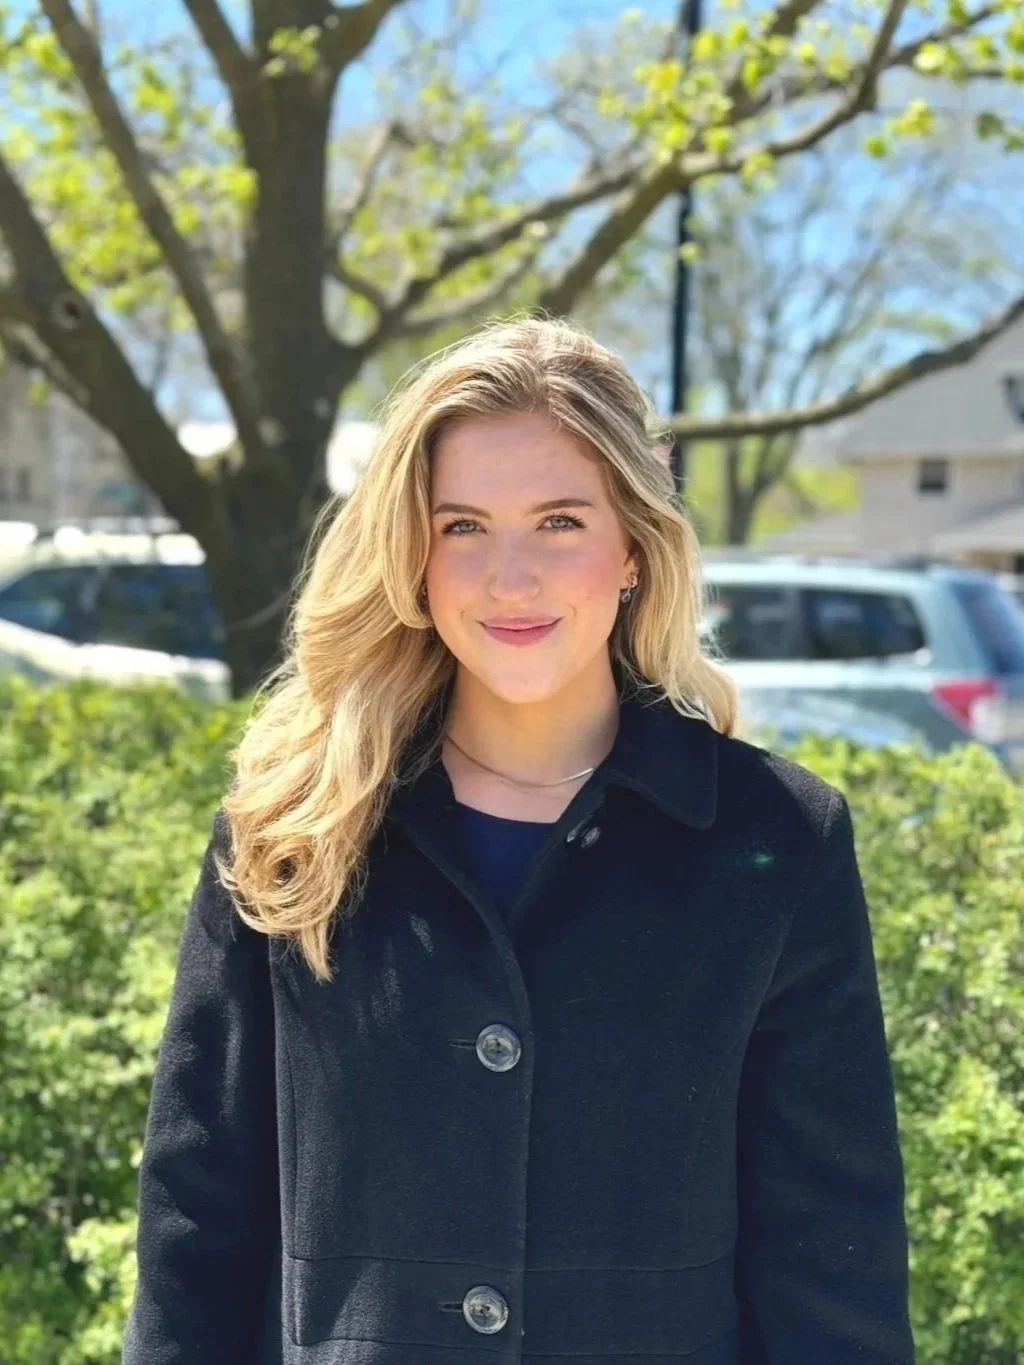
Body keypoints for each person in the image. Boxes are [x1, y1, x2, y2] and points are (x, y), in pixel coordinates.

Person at [122, 317, 915, 1365]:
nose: (510, 577)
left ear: (633, 548)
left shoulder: (776, 841)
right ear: (412, 555)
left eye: (558, 522)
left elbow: (831, 1260)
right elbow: (196, 1217)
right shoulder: (293, 823)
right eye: (463, 526)